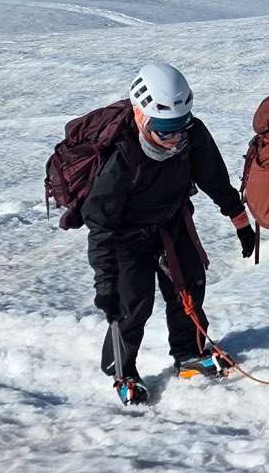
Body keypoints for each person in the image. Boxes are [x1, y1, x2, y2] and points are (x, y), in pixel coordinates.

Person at [86, 61, 259, 404]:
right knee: (132, 306)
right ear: (141, 117)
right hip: (125, 240)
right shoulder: (119, 158)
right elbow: (101, 226)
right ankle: (122, 371)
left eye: (181, 126)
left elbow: (214, 179)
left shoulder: (191, 134)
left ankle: (188, 355)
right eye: (165, 130)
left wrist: (240, 222)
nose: (175, 138)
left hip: (171, 224)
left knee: (190, 289)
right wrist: (106, 286)